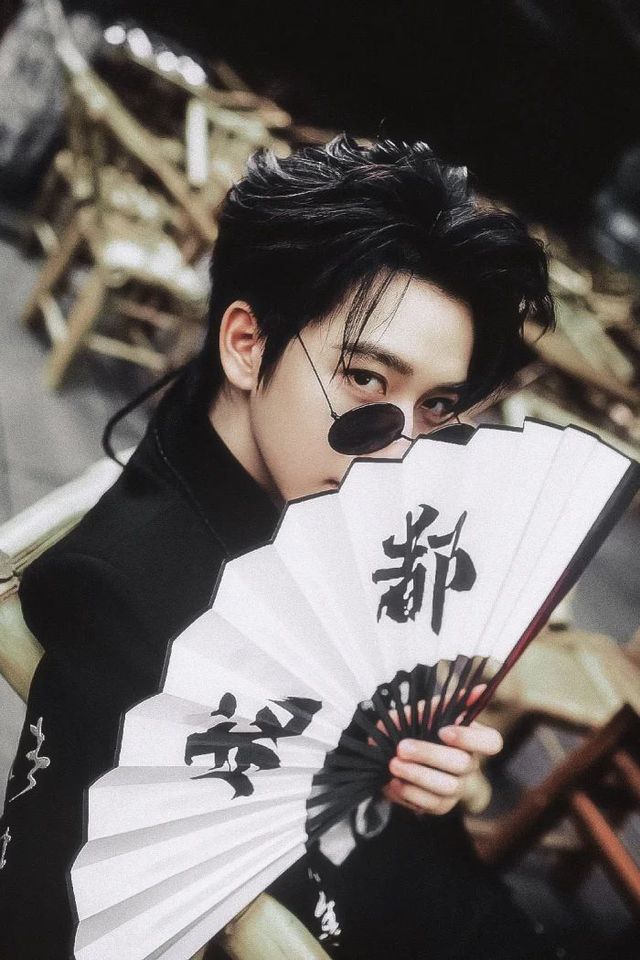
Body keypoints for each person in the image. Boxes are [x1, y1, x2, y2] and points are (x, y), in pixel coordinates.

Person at [0, 136, 562, 960]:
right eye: (366, 380)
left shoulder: (326, 506)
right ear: (247, 342)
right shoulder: (123, 601)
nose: (403, 454)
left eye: (438, 406)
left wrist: (435, 772)